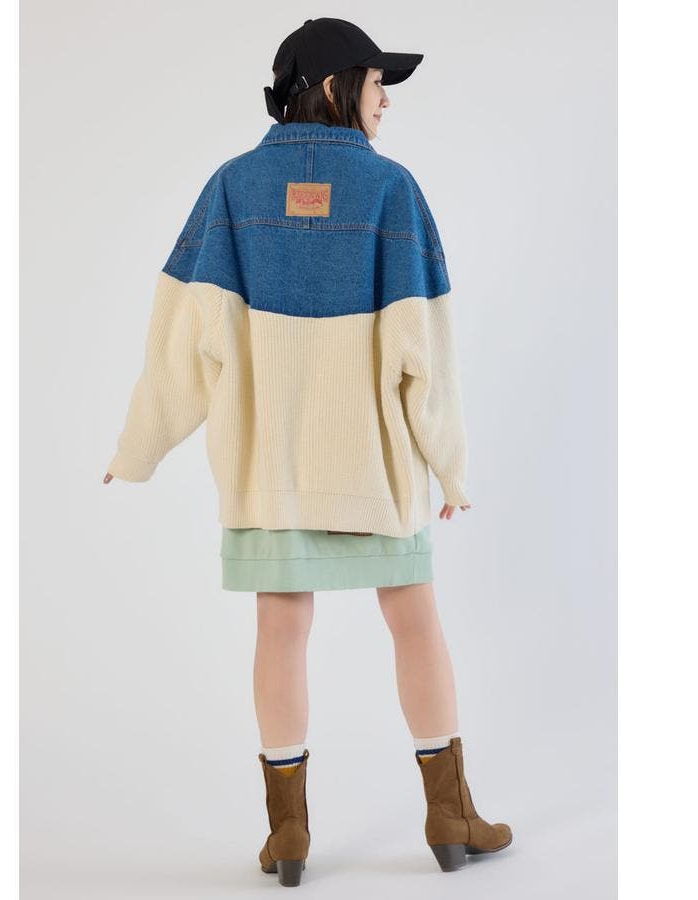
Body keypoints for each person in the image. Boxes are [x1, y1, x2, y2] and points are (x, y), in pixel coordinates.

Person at [103, 17, 512, 886]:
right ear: (335, 87)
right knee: (415, 620)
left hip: (269, 475)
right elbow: (426, 349)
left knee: (280, 629)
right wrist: (448, 464)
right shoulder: (393, 191)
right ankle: (450, 814)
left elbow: (182, 341)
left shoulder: (230, 188)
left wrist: (139, 446)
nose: (385, 100)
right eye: (377, 82)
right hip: (375, 474)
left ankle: (287, 834)